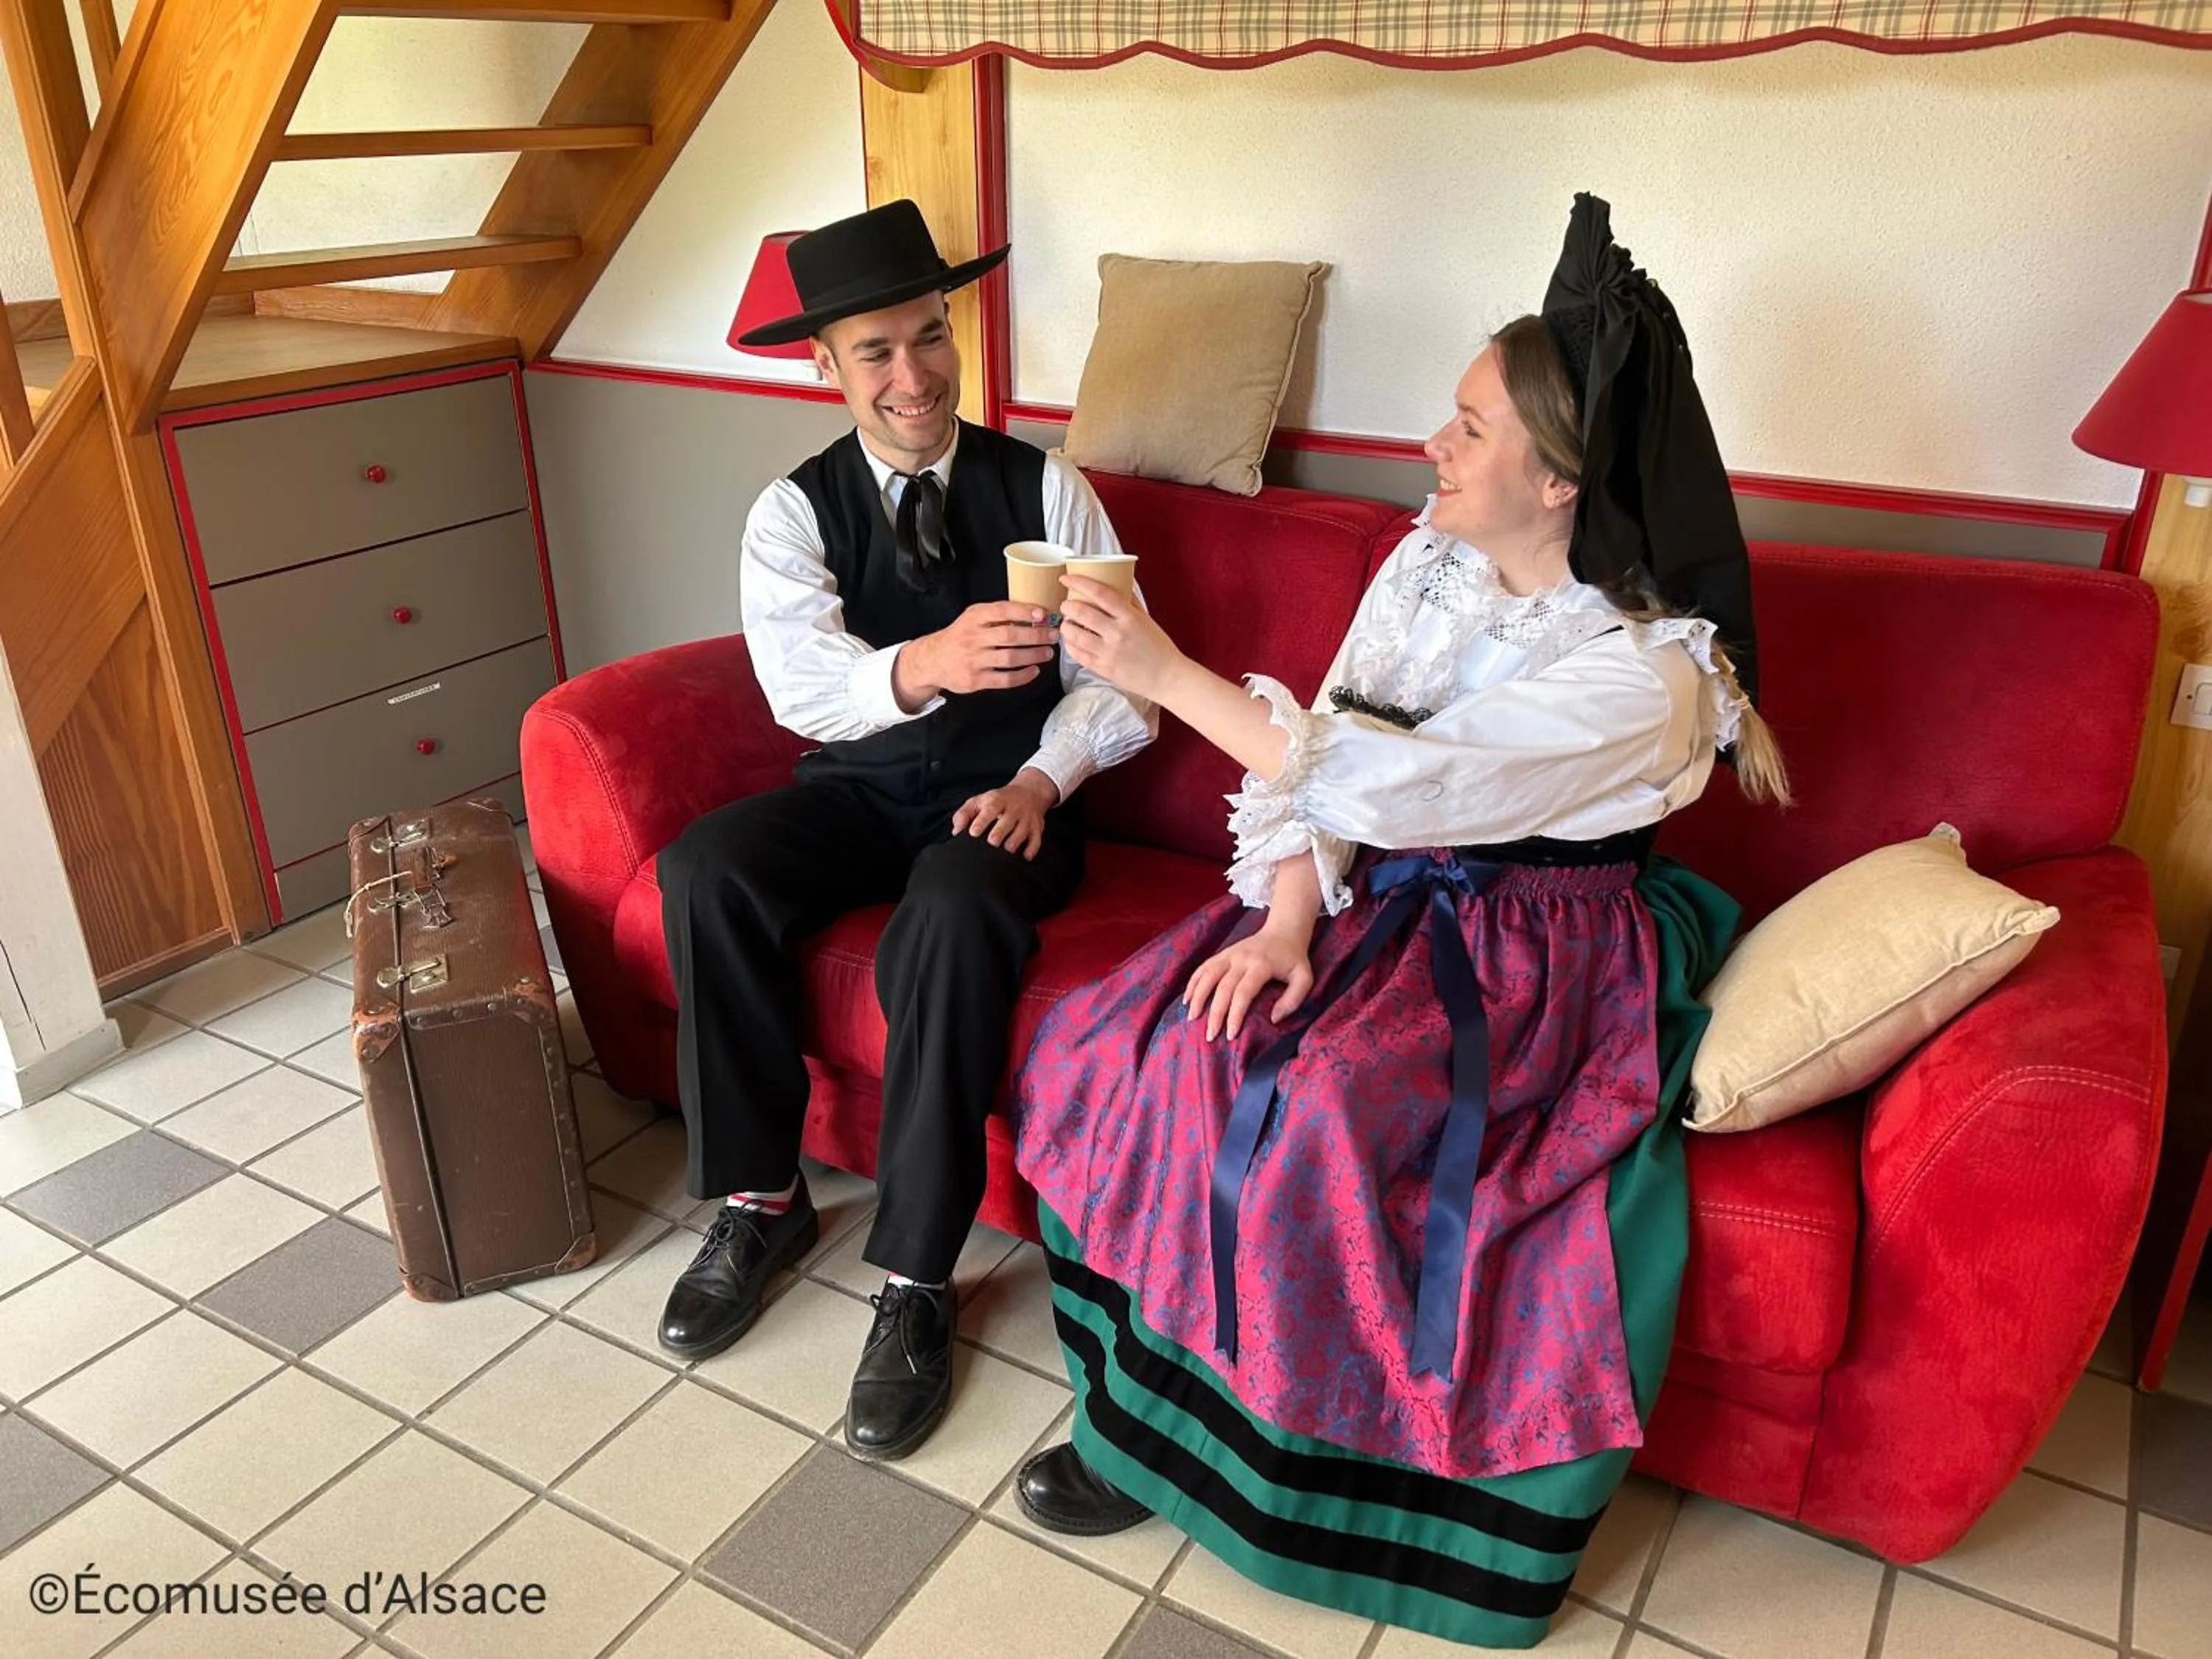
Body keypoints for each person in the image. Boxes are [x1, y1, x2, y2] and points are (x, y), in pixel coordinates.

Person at [1005, 195, 1787, 1649]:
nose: (1435, 444)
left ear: (1559, 481)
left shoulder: (1649, 672)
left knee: (1317, 1116)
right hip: (1384, 893)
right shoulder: (1428, 559)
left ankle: (1326, 1500)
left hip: (1540, 949)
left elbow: (1395, 776)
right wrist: (1286, 923)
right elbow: (1341, 755)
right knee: (1172, 1047)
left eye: (1471, 428)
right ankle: (1145, 1434)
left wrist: (1167, 674)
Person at [653, 200, 1155, 1462]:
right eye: (875, 350)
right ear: (827, 366)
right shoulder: (791, 511)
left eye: (930, 336)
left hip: (1013, 796)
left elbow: (1126, 682)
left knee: (952, 907)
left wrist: (1042, 779)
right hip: (859, 787)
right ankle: (764, 1197)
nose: (914, 374)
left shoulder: (1045, 486)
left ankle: (919, 1278)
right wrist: (925, 661)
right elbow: (799, 689)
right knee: (707, 868)